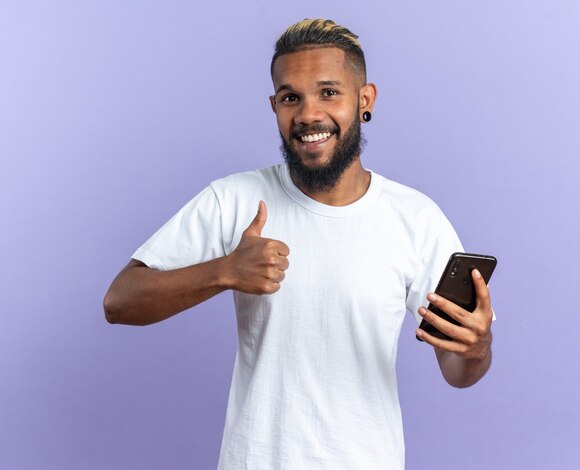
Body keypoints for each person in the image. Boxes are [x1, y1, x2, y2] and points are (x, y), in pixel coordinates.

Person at [104, 18, 494, 470]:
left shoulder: (415, 218)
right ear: (274, 106)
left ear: (364, 100)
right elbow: (119, 302)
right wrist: (225, 271)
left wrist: (476, 348)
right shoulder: (235, 199)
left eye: (329, 92)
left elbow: (458, 371)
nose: (309, 114)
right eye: (291, 97)